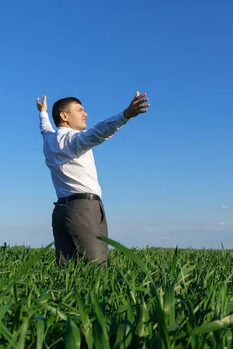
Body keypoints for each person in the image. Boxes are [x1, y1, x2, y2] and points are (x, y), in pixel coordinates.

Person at [35, 92, 150, 268]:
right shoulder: (72, 140)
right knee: (96, 269)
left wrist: (42, 112)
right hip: (84, 209)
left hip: (61, 210)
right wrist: (126, 115)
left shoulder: (49, 139)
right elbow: (98, 132)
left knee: (66, 272)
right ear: (64, 116)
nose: (85, 113)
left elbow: (45, 128)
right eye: (80, 110)